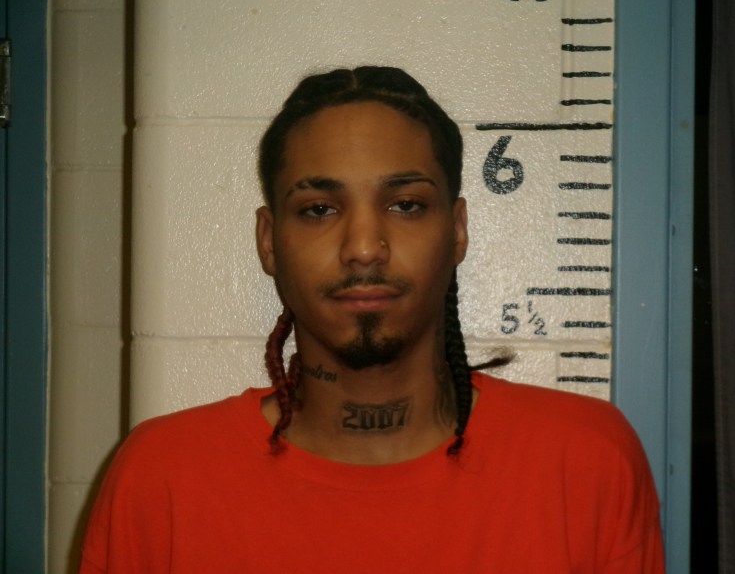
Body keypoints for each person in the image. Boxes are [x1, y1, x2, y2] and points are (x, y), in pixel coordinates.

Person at [80, 66, 665, 573]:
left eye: (406, 205)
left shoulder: (585, 462)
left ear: (457, 230)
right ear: (269, 241)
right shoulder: (161, 479)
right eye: (319, 209)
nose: (364, 247)